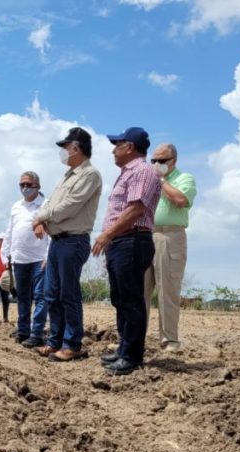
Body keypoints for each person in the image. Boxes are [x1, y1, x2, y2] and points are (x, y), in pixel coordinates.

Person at [92, 127, 162, 375]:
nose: (113, 149)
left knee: (131, 300)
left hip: (132, 241)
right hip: (121, 242)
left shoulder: (142, 171)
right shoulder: (127, 173)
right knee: (120, 298)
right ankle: (124, 349)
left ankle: (132, 356)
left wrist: (107, 234)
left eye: (117, 144)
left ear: (130, 147)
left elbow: (135, 210)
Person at [31, 127, 102, 362]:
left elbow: (70, 206)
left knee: (67, 294)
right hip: (57, 242)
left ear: (76, 148)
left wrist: (43, 217)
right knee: (52, 293)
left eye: (65, 147)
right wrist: (42, 217)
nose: (62, 152)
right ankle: (55, 341)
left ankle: (72, 344)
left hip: (73, 240)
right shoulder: (67, 176)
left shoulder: (89, 175)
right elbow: (50, 202)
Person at [143, 144, 196, 352]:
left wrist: (161, 180)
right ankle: (135, 338)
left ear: (174, 161)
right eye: (153, 160)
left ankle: (170, 340)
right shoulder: (148, 181)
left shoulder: (185, 179)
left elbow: (180, 200)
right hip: (146, 234)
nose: (156, 164)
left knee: (168, 290)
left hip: (170, 235)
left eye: (162, 161)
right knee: (140, 291)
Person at [2, 171, 49, 348]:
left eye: (29, 184)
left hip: (39, 258)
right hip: (19, 258)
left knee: (40, 296)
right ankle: (23, 331)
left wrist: (48, 255)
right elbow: (10, 231)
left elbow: (52, 229)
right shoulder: (16, 206)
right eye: (22, 184)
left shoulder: (45, 204)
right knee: (22, 297)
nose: (25, 188)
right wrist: (5, 254)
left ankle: (37, 333)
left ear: (37, 185)